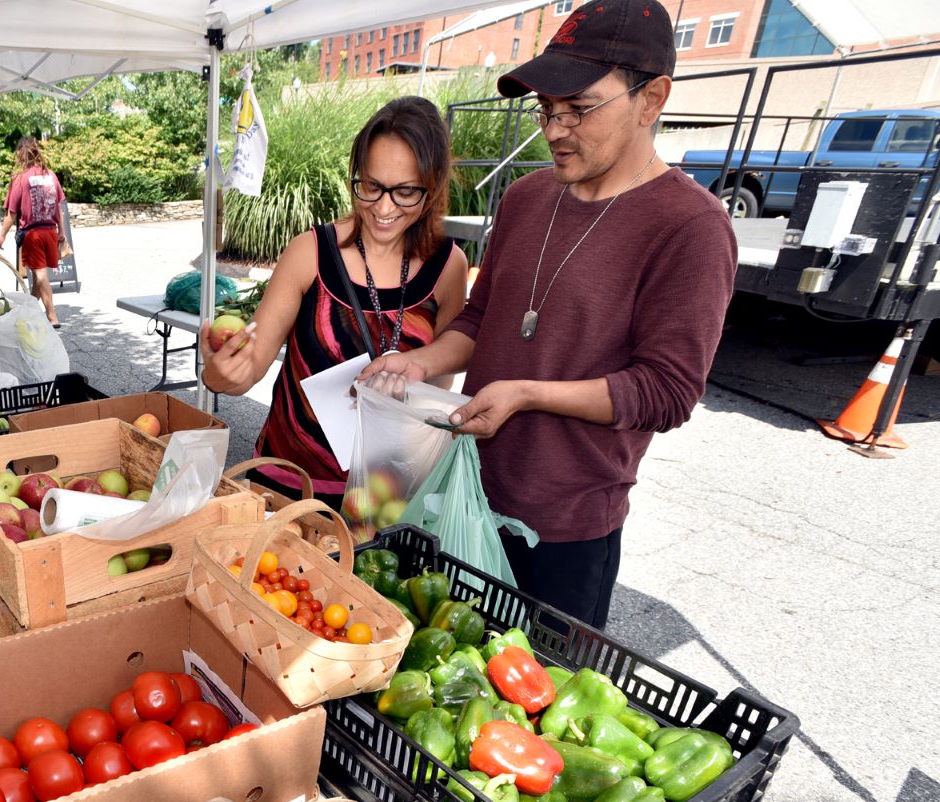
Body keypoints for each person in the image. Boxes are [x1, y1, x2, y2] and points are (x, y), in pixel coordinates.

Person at [357, 0, 738, 629]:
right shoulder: (528, 197)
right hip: (468, 490)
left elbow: (667, 392)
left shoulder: (691, 227)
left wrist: (526, 394)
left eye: (578, 109)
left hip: (565, 528)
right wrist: (419, 362)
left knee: (537, 704)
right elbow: (481, 319)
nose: (555, 130)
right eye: (546, 110)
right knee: (438, 681)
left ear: (652, 99)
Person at [203, 97, 467, 509]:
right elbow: (246, 370)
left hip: (385, 495)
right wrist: (220, 375)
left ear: (432, 188)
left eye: (405, 192)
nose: (382, 207)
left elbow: (440, 380)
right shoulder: (309, 253)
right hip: (289, 486)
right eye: (371, 186)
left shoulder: (448, 268)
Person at [0, 137, 67, 327]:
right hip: (50, 231)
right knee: (37, 277)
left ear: (20, 153)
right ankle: (28, 312)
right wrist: (61, 230)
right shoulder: (50, 175)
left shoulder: (20, 179)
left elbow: (11, 214)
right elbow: (59, 207)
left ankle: (52, 316)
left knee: (41, 274)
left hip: (32, 234)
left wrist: (2, 235)